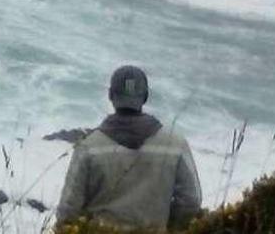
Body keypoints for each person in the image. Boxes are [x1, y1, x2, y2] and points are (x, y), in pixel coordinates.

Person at [56, 65, 202, 230]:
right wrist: (168, 226)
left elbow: (68, 211)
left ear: (111, 95)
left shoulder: (89, 147)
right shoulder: (175, 144)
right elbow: (191, 201)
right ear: (145, 97)